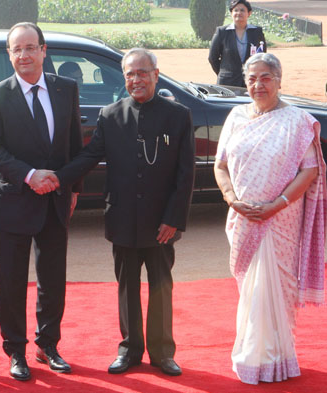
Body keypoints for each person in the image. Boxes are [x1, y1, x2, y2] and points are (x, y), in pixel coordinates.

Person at [54, 48, 195, 377]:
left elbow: (185, 173)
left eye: (142, 73)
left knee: (161, 286)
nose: (136, 80)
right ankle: (130, 349)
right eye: (130, 74)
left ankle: (162, 353)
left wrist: (173, 218)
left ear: (156, 75)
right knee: (127, 287)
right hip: (122, 218)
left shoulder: (177, 116)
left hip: (161, 222)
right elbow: (90, 156)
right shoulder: (111, 114)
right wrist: (59, 177)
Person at [0, 22, 83, 381]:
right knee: (11, 280)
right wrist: (29, 175)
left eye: (29, 47)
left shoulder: (66, 89)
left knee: (53, 278)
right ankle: (16, 350)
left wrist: (74, 188)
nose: (23, 55)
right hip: (15, 200)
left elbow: (73, 144)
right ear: (9, 54)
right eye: (16, 49)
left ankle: (48, 344)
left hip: (56, 200)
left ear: (43, 49)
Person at [214, 53, 325, 385]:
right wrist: (232, 200)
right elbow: (221, 166)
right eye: (252, 78)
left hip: (281, 221)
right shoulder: (235, 117)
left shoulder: (297, 121)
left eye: (265, 77)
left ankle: (277, 359)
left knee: (275, 289)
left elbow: (310, 170)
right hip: (244, 217)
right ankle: (252, 356)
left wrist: (277, 204)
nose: (258, 84)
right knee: (251, 290)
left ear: (279, 80)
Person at [208, 0, 266, 87]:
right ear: (231, 13)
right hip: (227, 83)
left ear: (249, 13)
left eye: (242, 10)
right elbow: (213, 58)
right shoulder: (222, 32)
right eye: (235, 10)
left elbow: (262, 56)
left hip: (250, 82)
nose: (239, 13)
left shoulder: (257, 32)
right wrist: (223, 73)